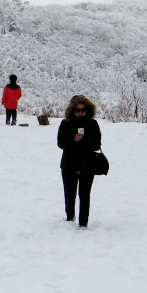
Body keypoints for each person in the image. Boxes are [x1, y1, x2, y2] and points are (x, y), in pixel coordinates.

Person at [57, 95, 101, 229]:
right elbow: (60, 143)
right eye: (77, 110)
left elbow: (97, 145)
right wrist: (72, 139)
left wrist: (86, 139)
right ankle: (70, 219)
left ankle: (83, 223)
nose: (80, 113)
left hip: (87, 165)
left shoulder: (92, 124)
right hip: (69, 165)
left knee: (84, 195)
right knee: (69, 195)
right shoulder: (65, 124)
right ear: (72, 110)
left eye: (83, 110)